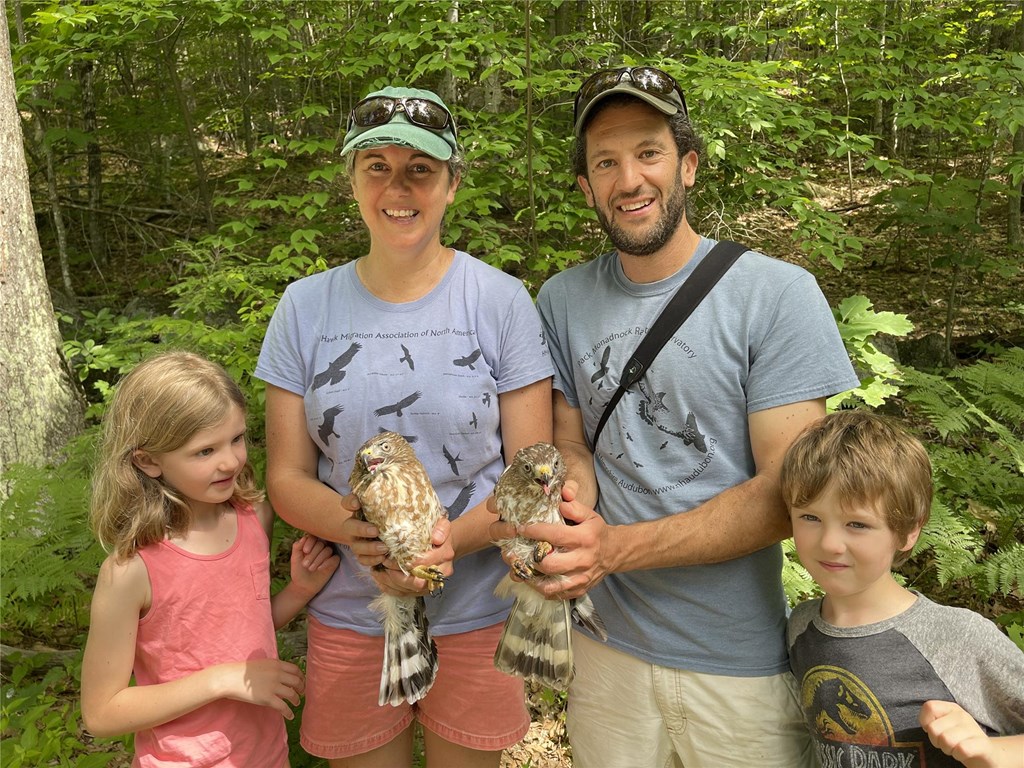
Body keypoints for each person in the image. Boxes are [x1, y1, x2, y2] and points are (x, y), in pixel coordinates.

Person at [499, 65, 862, 767]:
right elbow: (572, 441)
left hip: (737, 664)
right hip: (605, 655)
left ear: (688, 164)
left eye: (648, 152)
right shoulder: (561, 301)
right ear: (586, 187)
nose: (629, 179)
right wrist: (571, 508)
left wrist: (613, 551)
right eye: (605, 162)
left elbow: (794, 493)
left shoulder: (776, 296)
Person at [255, 85, 553, 768]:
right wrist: (366, 538)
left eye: (420, 167)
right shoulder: (304, 309)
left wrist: (439, 550)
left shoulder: (500, 302)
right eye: (377, 166)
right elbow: (286, 477)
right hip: (352, 610)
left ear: (451, 183)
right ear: (353, 182)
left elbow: (532, 470)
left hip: (476, 611)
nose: (398, 186)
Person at [81, 351, 339, 767]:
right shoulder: (131, 571)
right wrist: (222, 680)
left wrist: (299, 590)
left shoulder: (254, 518)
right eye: (204, 451)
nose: (231, 461)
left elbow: (231, 634)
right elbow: (102, 712)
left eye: (236, 439)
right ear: (148, 461)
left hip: (265, 754)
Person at [782, 409, 1024, 768]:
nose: (830, 543)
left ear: (909, 531)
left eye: (857, 524)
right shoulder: (800, 628)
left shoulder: (956, 638)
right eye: (810, 517)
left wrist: (993, 752)